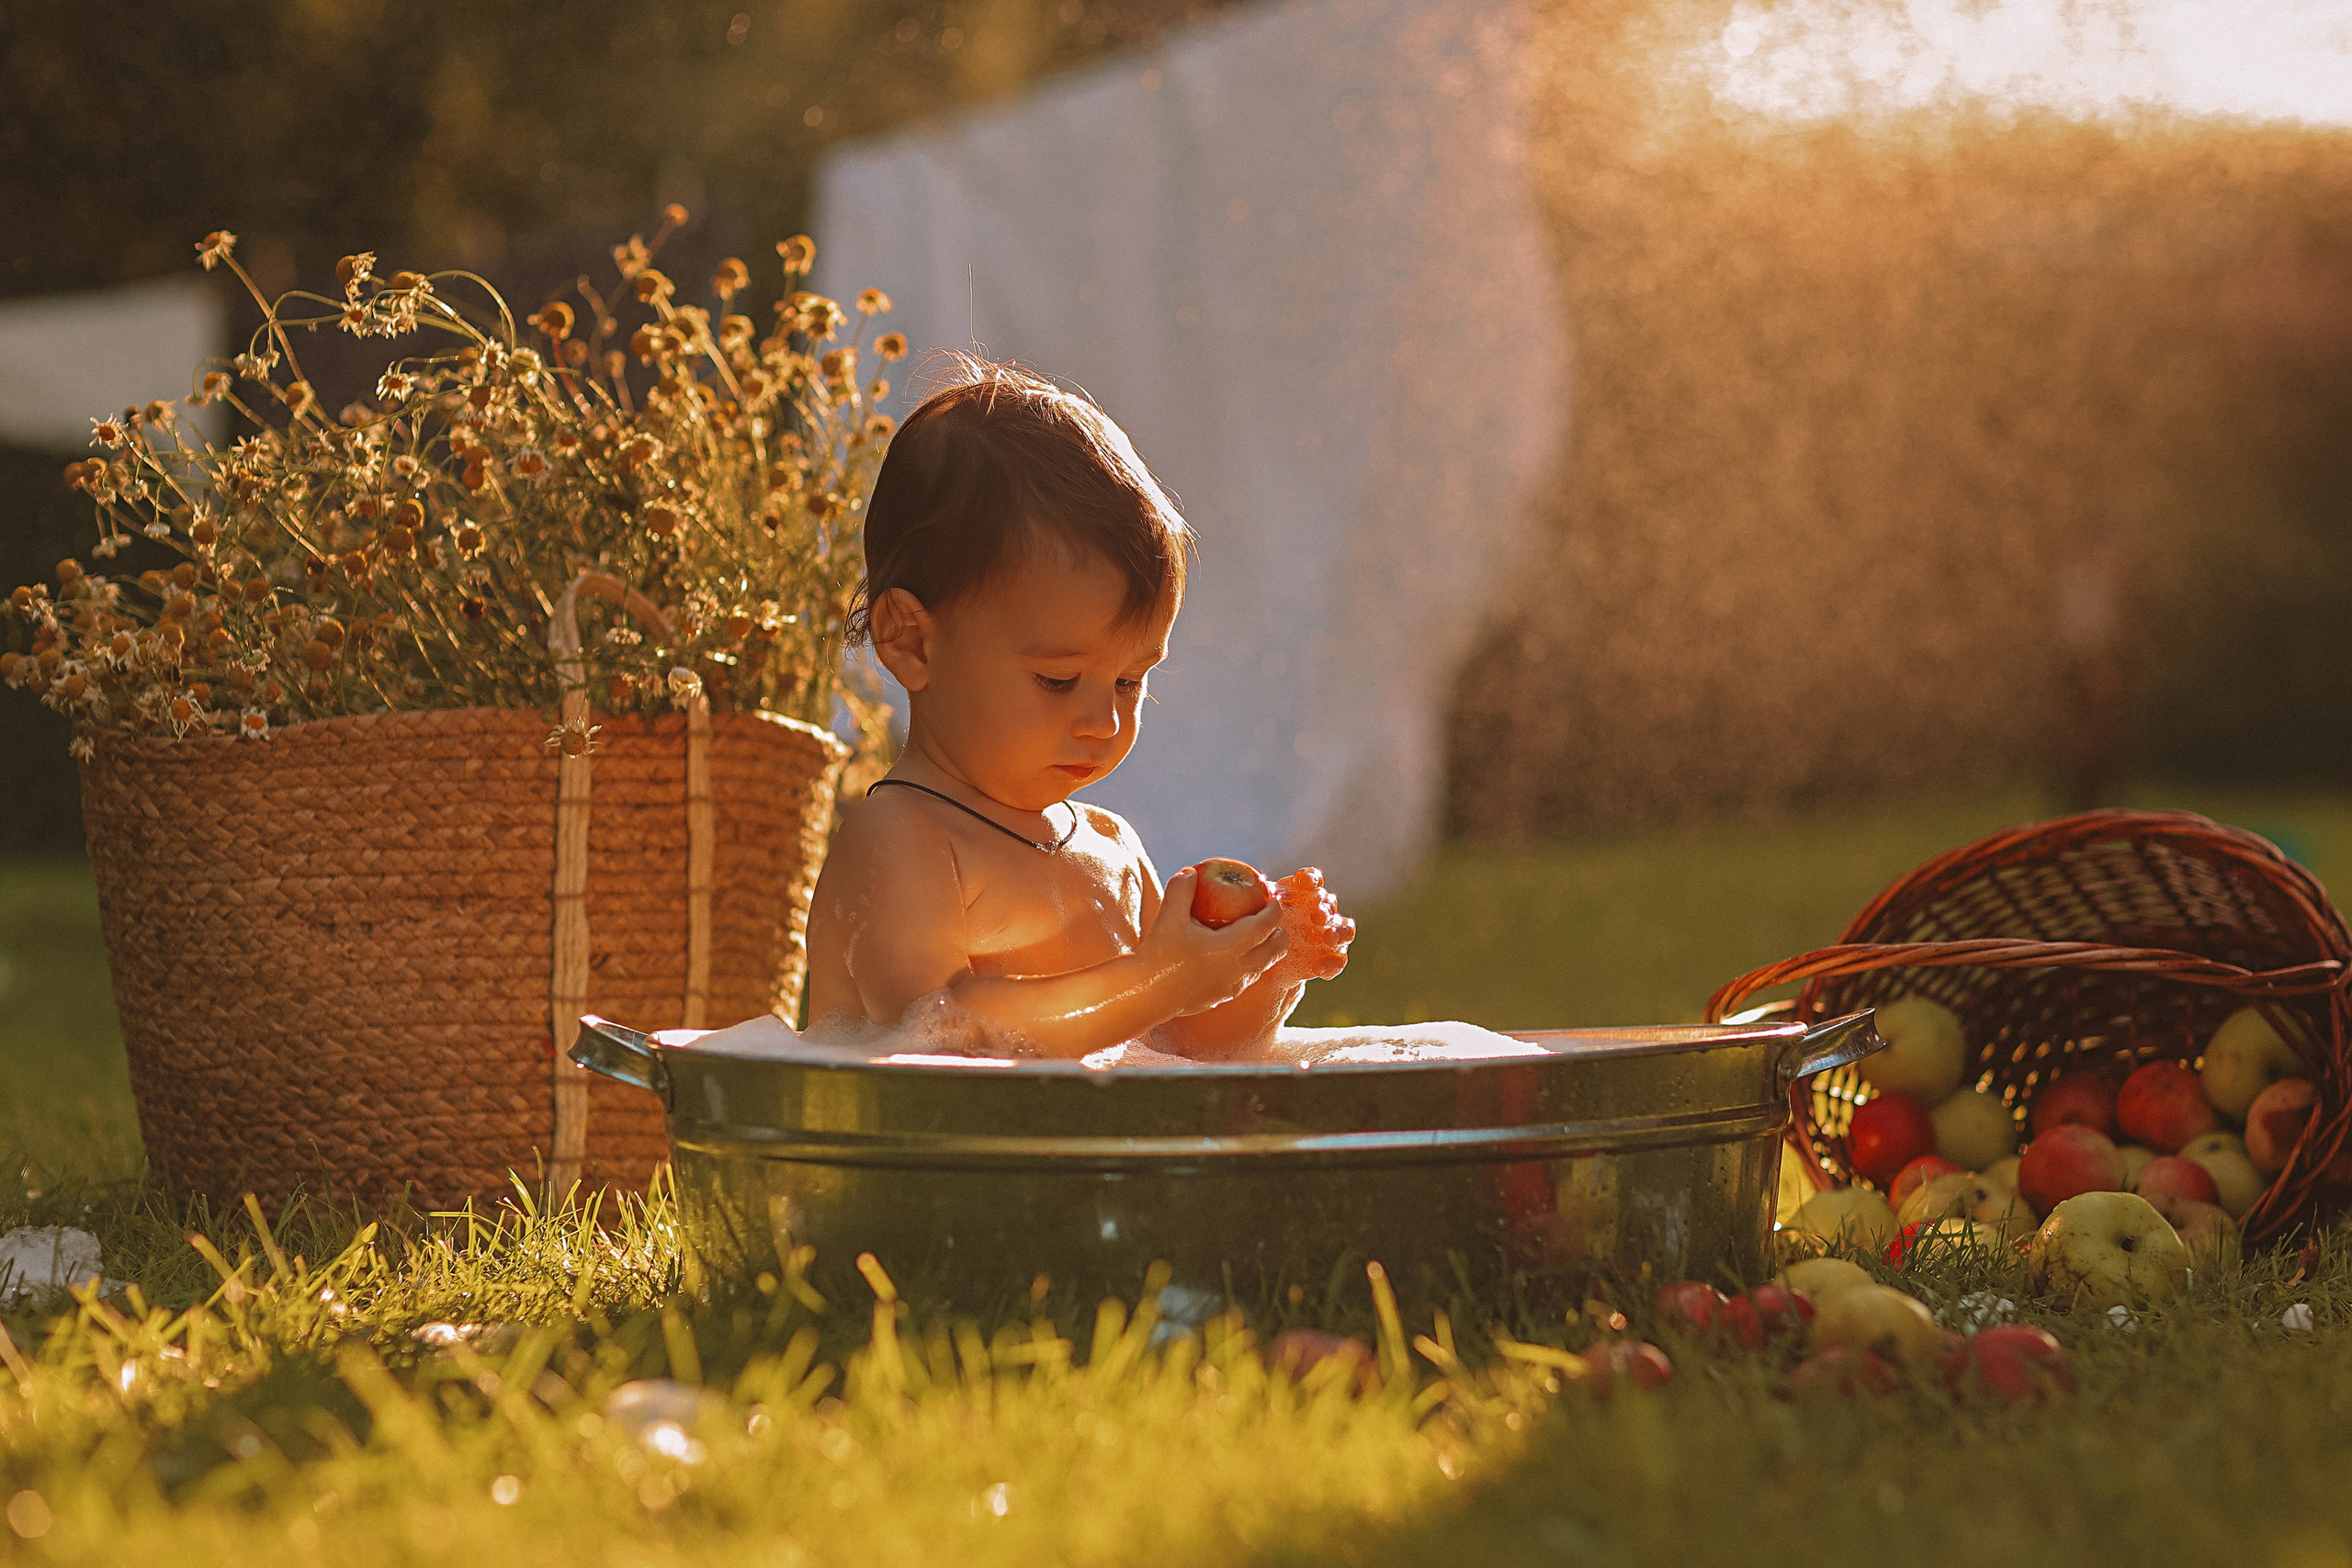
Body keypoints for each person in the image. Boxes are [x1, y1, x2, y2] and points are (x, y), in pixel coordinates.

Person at [803, 357, 1353, 1059]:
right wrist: (1157, 978)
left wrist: (1263, 968)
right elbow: (941, 1029)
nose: (1107, 721)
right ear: (911, 641)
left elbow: (1182, 1041)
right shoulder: (903, 838)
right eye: (1059, 680)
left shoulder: (1109, 846)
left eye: (1129, 681)